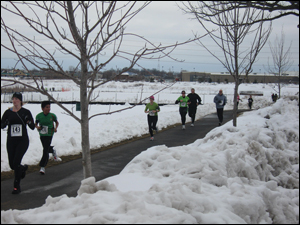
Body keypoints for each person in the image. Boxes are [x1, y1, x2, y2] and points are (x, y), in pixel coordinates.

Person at [1, 92, 35, 194]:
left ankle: (16, 186)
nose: (15, 100)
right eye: (13, 99)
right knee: (12, 165)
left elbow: (32, 127)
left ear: (20, 100)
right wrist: (5, 123)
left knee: (16, 162)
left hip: (22, 141)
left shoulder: (26, 112)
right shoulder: (8, 112)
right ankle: (22, 169)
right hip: (11, 141)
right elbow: (1, 125)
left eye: (17, 99)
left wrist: (28, 121)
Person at [35, 101, 61, 175]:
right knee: (45, 148)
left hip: (50, 133)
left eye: (49, 107)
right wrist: (38, 127)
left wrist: (56, 128)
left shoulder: (52, 116)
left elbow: (57, 122)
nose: (48, 109)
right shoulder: (39, 116)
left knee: (45, 150)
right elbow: (35, 124)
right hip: (42, 134)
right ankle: (52, 150)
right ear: (42, 108)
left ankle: (42, 166)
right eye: (47, 107)